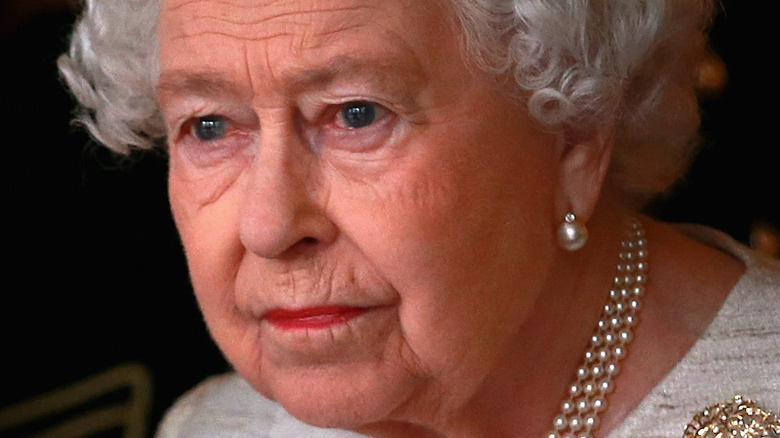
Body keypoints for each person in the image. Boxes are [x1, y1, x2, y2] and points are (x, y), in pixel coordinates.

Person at [57, 0, 780, 437]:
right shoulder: (219, 428)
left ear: (575, 136)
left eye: (357, 114)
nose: (269, 226)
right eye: (210, 127)